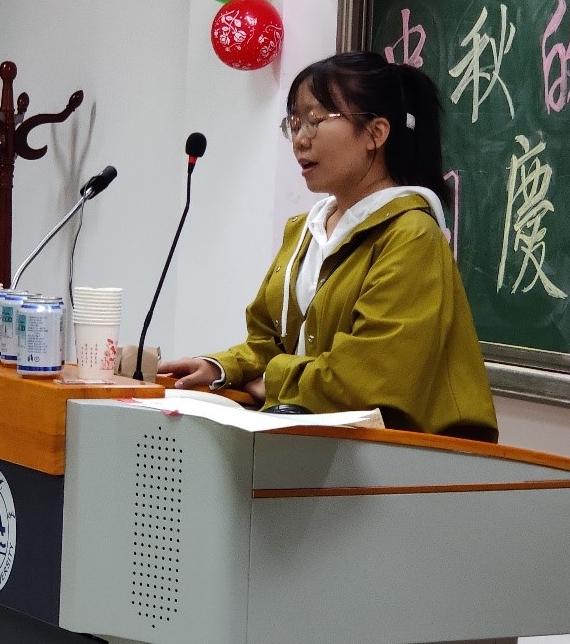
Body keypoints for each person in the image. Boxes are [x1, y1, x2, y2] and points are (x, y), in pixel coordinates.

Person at [159, 51, 498, 442]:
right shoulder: (306, 230)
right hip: (314, 442)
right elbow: (269, 342)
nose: (300, 139)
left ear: (376, 133)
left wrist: (276, 379)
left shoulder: (411, 235)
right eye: (293, 123)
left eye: (316, 120)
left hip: (395, 458)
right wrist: (221, 368)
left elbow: (368, 377)